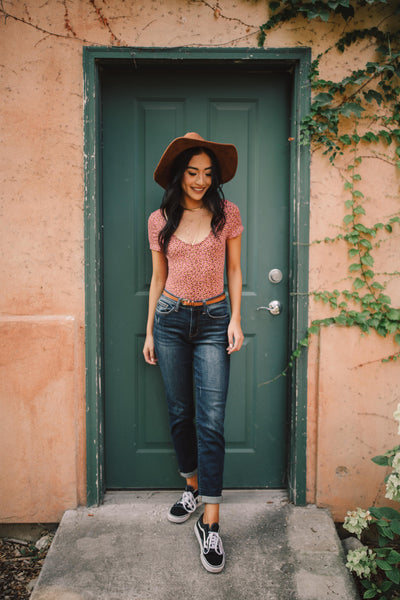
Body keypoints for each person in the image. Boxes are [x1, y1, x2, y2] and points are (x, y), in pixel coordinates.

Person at [143, 132, 244, 573]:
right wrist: (148, 331)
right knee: (181, 412)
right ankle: (191, 486)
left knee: (212, 419)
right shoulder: (159, 219)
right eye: (192, 172)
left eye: (207, 173)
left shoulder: (227, 215)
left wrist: (236, 319)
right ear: (179, 174)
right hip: (169, 321)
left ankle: (212, 522)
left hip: (213, 321)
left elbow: (237, 271)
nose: (200, 180)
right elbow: (157, 278)